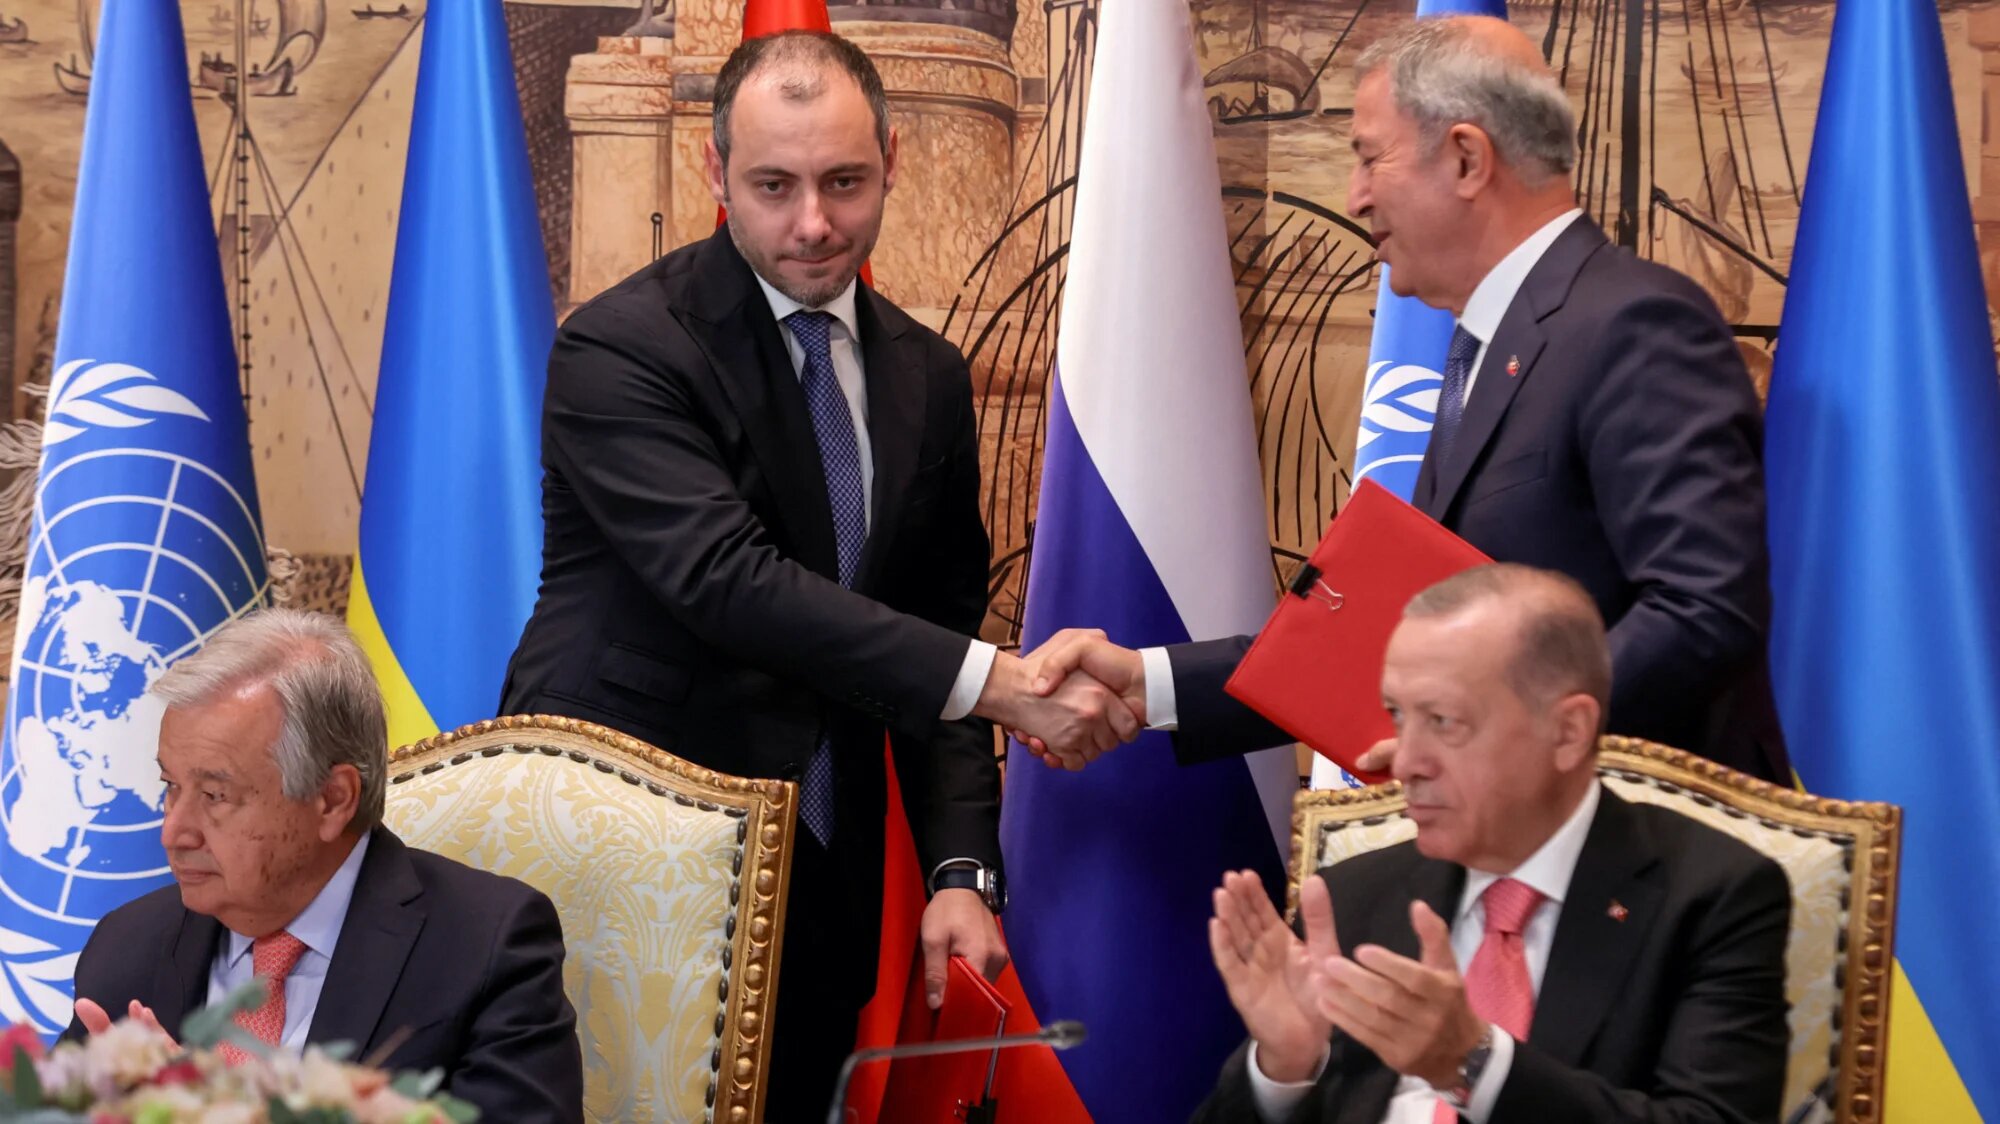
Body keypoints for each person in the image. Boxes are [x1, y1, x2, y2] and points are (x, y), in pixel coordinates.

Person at [497, 30, 1132, 1116]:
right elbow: (728, 581)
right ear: (714, 175)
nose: (813, 223)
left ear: (890, 157)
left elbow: (931, 622)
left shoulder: (926, 376)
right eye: (773, 185)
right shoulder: (622, 347)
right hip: (623, 854)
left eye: (844, 181)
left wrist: (959, 870)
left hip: (820, 873)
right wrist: (1006, 681)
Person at [1024, 15, 1788, 783]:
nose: (1354, 197)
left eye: (1369, 158)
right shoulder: (1483, 352)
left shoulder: (1633, 325)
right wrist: (1151, 684)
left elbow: (1704, 608)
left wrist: (1495, 742)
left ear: (1464, 158)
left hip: (1636, 868)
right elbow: (1395, 641)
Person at [1192, 565, 1790, 1123]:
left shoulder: (1713, 895)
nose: (1406, 760)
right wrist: (1284, 1069)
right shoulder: (1353, 897)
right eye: (1399, 717)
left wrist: (1472, 1062)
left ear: (1568, 732)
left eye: (1444, 722)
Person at [65, 610, 583, 1124]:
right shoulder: (127, 946)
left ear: (333, 800)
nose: (173, 832)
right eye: (171, 787)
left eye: (215, 794)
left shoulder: (485, 949)